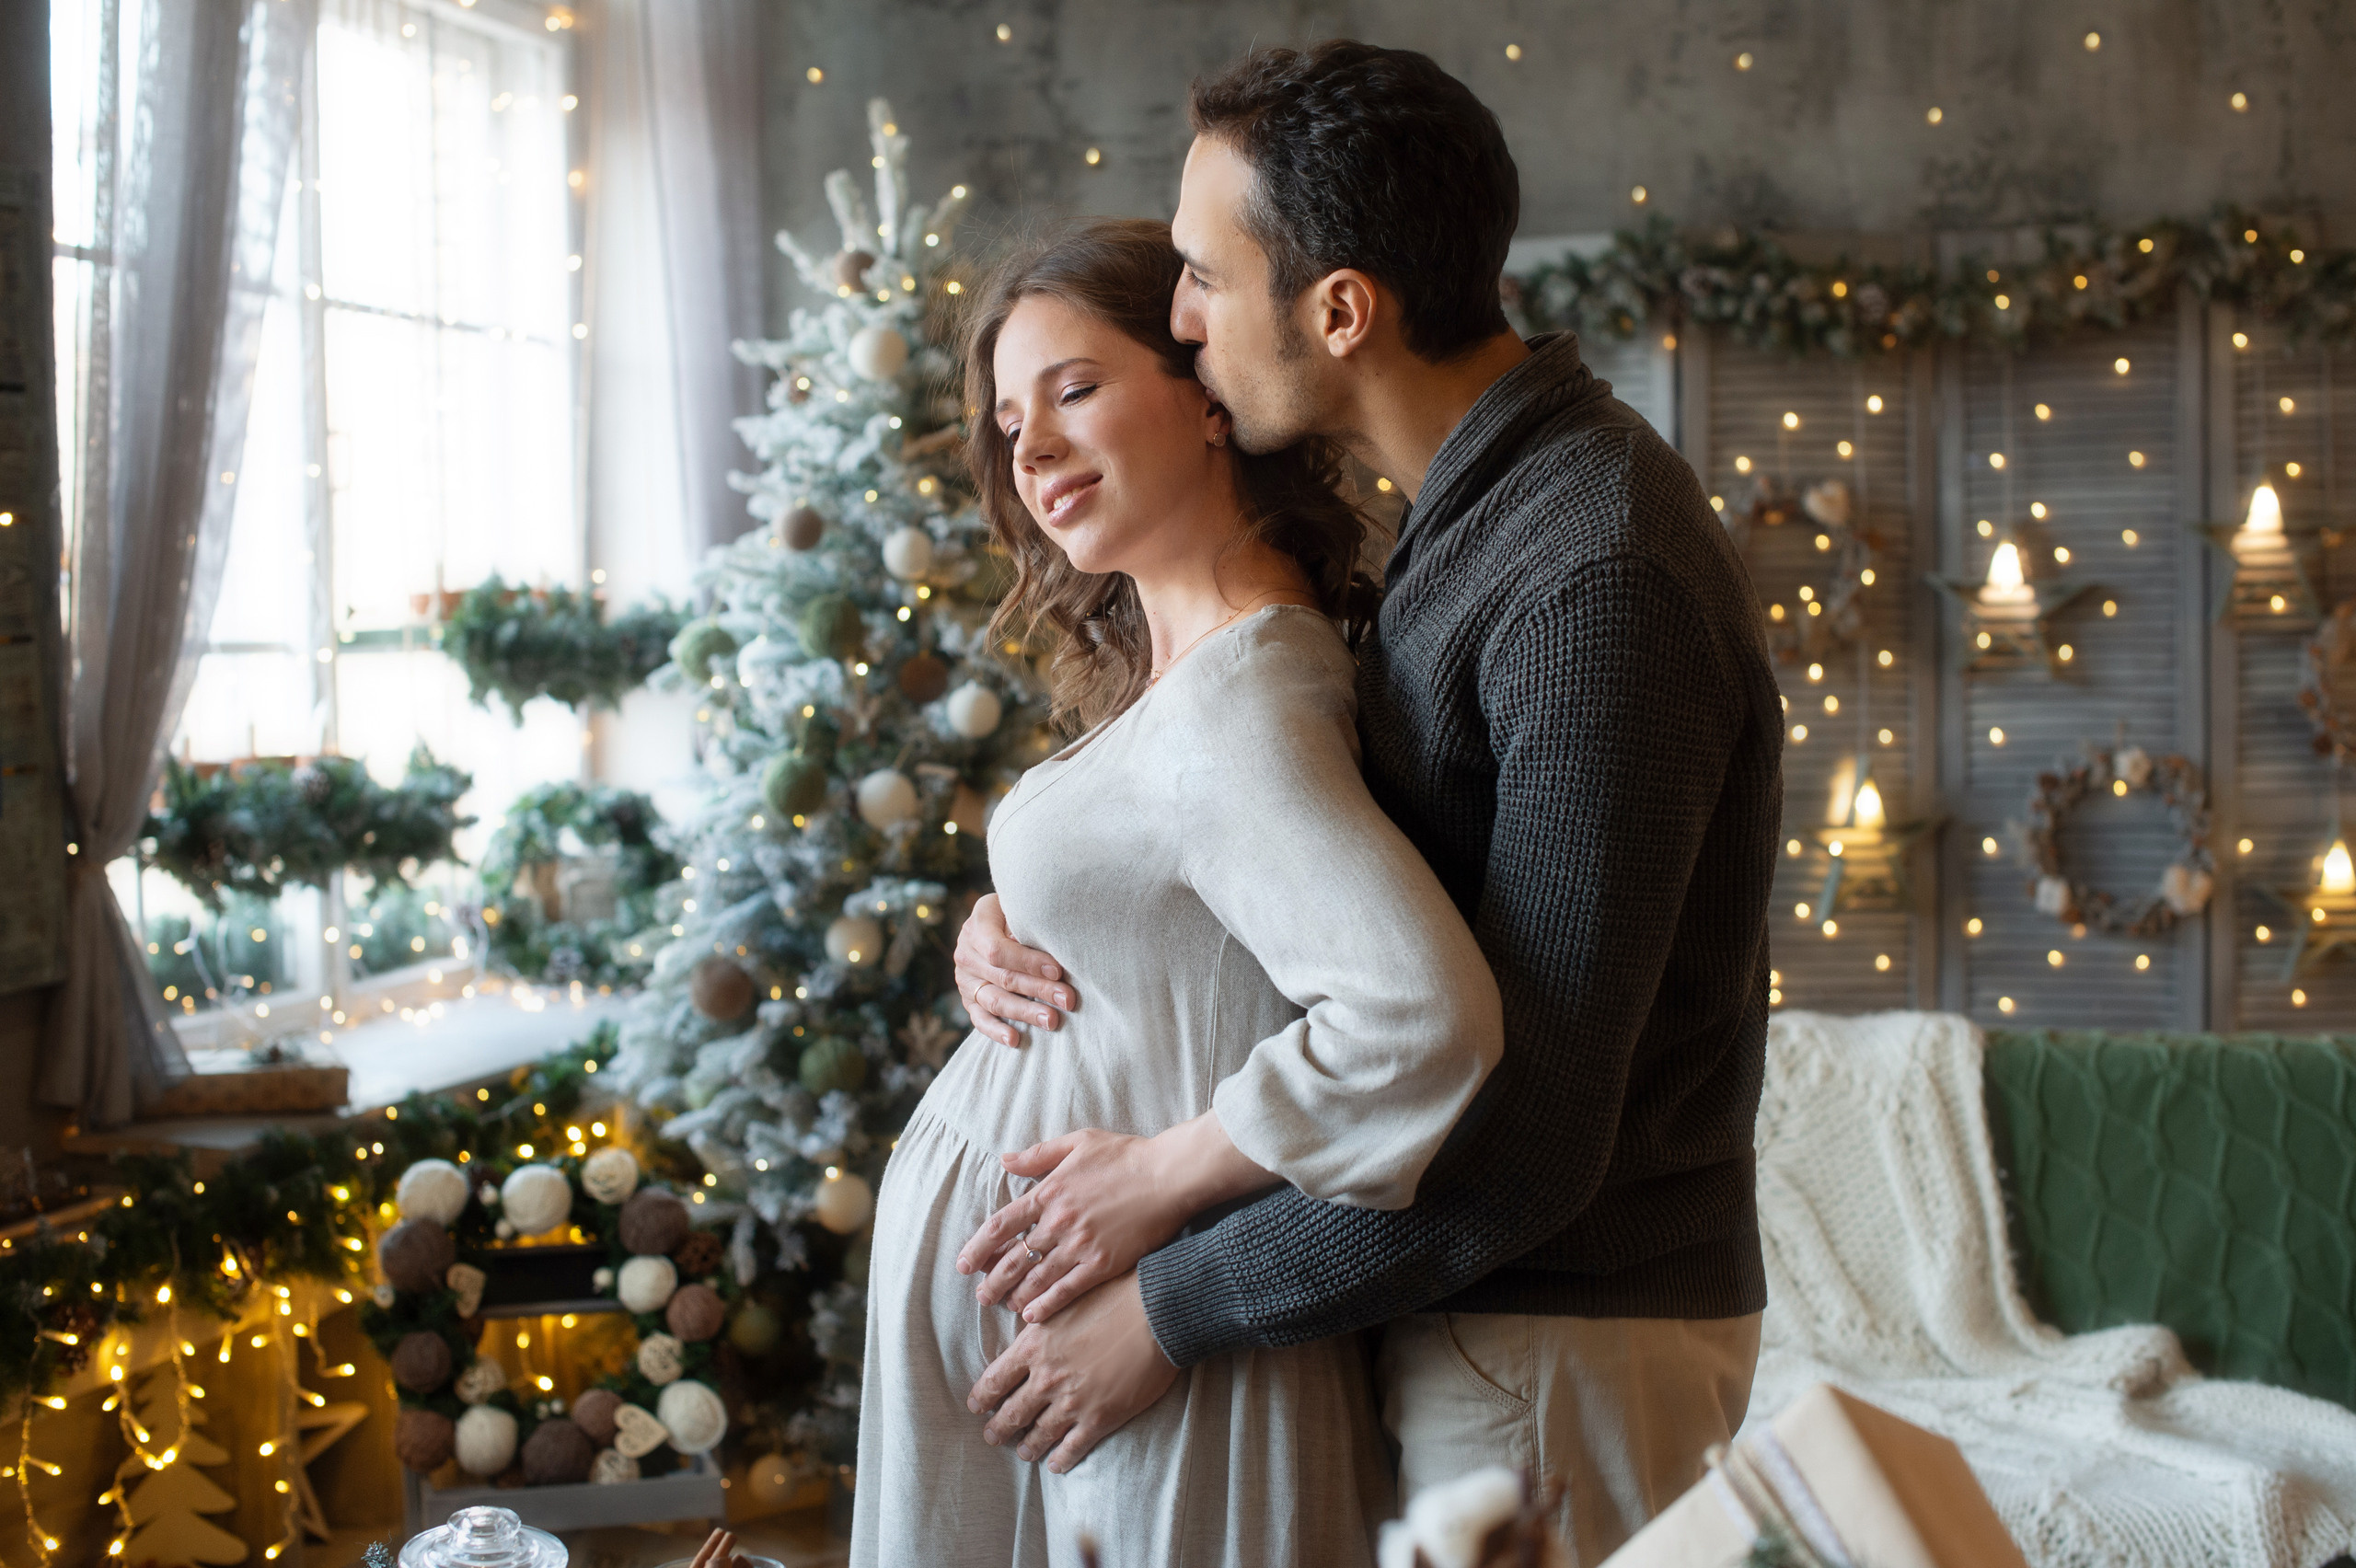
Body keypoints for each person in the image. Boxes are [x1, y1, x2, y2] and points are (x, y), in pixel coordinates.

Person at [953, 40, 1783, 1565]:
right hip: (1484, 1319)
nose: (1184, 324)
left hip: (1559, 1335)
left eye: (1204, 277)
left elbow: (1529, 1135)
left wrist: (1167, 1298)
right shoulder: (1487, 520)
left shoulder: (1591, 571)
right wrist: (1038, 909)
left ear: (1339, 310)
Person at [850, 218, 1505, 1567]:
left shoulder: (1238, 698)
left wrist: (1156, 1182)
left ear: (1207, 391)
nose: (1027, 450)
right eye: (1006, 418)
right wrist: (1007, 924)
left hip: (1145, 1370)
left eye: (1075, 389)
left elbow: (1419, 1017)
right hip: (1076, 1363)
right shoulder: (1191, 681)